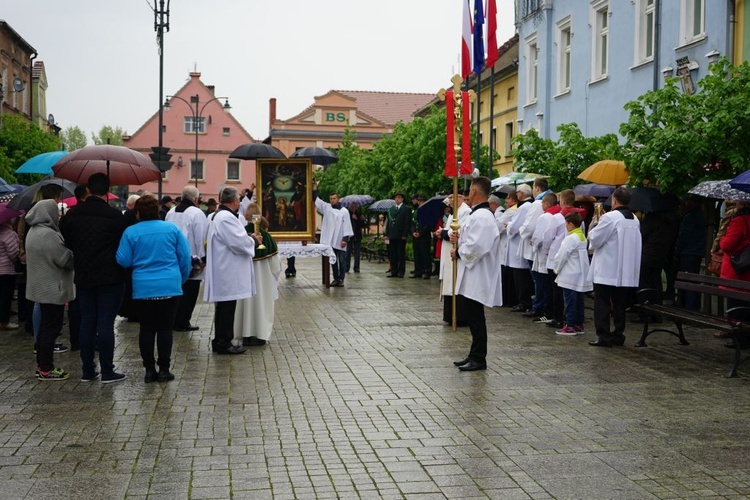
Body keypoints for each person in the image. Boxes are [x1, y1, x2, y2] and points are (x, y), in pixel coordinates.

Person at [61, 172, 128, 383]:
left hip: (84, 275)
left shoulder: (71, 216)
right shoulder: (115, 216)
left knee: (87, 322)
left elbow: (67, 242)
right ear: (108, 191)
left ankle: (88, 370)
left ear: (87, 190)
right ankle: (107, 370)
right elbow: (123, 245)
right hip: (111, 276)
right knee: (105, 323)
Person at [116, 196, 191, 383]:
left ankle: (149, 369)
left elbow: (123, 260)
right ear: (158, 210)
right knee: (165, 329)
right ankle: (164, 369)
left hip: (143, 287)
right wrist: (180, 279)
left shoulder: (131, 232)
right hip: (169, 285)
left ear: (138, 212)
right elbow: (184, 258)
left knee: (147, 329)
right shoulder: (172, 229)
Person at [450, 177, 502, 371]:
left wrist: (459, 252)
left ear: (473, 191)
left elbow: (478, 245)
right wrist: (459, 237)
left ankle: (479, 358)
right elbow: (471, 238)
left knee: (476, 317)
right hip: (473, 273)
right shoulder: (479, 215)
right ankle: (474, 353)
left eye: (469, 191)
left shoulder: (483, 216)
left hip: (479, 274)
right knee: (473, 316)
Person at [203, 186, 259, 355]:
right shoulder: (226, 218)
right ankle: (223, 342)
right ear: (235, 201)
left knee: (225, 306)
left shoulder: (219, 216)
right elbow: (238, 242)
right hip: (227, 268)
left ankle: (223, 340)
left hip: (225, 266)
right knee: (226, 307)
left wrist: (248, 239)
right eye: (239, 200)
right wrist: (253, 240)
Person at [25, 199, 75, 380]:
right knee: (51, 328)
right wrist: (73, 252)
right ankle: (46, 368)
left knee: (45, 327)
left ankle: (42, 366)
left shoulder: (33, 231)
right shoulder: (48, 235)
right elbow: (64, 259)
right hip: (52, 288)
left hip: (40, 286)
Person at [587, 187, 642, 347]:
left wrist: (597, 222)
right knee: (619, 304)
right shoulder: (634, 219)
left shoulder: (610, 218)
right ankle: (618, 334)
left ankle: (604, 336)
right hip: (625, 270)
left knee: (602, 303)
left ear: (614, 200)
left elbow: (596, 239)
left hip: (607, 268)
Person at [234, 203, 281, 347]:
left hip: (243, 277)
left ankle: (245, 335)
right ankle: (260, 335)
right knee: (261, 304)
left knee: (244, 305)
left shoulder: (240, 234)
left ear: (246, 217)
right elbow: (275, 265)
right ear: (259, 217)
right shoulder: (266, 236)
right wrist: (275, 277)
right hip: (263, 280)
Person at [166, 186, 209, 332]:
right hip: (192, 259)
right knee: (190, 292)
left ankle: (173, 319)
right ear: (195, 199)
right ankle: (183, 321)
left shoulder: (171, 212)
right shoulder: (197, 213)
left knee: (175, 290)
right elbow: (201, 237)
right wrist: (203, 258)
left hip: (173, 258)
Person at [554, 212, 593, 336]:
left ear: (570, 224)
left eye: (566, 223)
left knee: (570, 300)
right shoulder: (582, 236)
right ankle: (578, 324)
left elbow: (562, 255)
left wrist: (556, 268)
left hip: (569, 274)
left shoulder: (571, 238)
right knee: (579, 300)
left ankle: (570, 325)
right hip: (579, 273)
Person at [719, 200, 750, 349]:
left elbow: (727, 245)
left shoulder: (739, 221)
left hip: (736, 271)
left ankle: (739, 339)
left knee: (735, 306)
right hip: (747, 270)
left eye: (738, 202)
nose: (735, 204)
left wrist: (723, 238)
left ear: (743, 204)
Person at [437, 192, 471, 326]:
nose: (450, 200)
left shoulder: (465, 211)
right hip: (448, 252)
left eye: (453, 197)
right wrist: (442, 232)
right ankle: (450, 316)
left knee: (457, 282)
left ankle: (460, 317)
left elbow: (458, 231)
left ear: (462, 197)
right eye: (449, 197)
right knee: (450, 282)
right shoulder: (453, 213)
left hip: (458, 253)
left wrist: (444, 233)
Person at [313, 185, 353, 287]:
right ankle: (335, 278)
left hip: (340, 240)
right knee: (333, 260)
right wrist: (314, 188)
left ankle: (341, 279)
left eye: (334, 198)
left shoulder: (344, 211)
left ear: (338, 199)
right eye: (331, 199)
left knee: (342, 261)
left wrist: (345, 239)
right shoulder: (327, 208)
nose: (332, 200)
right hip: (330, 241)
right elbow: (316, 200)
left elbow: (347, 225)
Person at [674, 195, 706, 310]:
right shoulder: (700, 216)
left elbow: (683, 236)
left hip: (688, 253)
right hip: (695, 252)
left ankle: (690, 307)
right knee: (692, 280)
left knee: (689, 281)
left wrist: (676, 251)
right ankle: (690, 305)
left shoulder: (690, 217)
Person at [506, 184, 534, 312]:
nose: (516, 195)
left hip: (518, 243)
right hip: (522, 243)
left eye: (517, 192)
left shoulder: (523, 207)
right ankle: (524, 300)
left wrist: (508, 225)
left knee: (520, 276)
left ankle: (523, 301)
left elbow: (514, 227)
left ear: (521, 194)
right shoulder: (531, 205)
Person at [496, 191, 518, 307]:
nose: (506, 201)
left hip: (506, 245)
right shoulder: (515, 210)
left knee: (506, 276)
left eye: (508, 199)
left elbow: (498, 225)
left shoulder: (510, 212)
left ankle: (507, 299)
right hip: (508, 245)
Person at [386, 192, 411, 278]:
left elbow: (407, 222)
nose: (397, 199)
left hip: (401, 235)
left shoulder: (406, 209)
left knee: (401, 254)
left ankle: (401, 271)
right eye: (396, 198)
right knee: (393, 254)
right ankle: (394, 271)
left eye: (399, 197)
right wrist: (387, 234)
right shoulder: (391, 209)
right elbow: (389, 222)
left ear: (402, 199)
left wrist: (405, 234)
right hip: (392, 235)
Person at [410, 194, 432, 279]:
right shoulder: (415, 210)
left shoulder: (428, 211)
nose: (420, 202)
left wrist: (421, 233)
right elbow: (412, 222)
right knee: (417, 254)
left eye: (422, 201)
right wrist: (413, 232)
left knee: (425, 254)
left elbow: (428, 224)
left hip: (424, 236)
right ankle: (418, 271)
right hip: (416, 235)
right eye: (419, 201)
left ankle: (427, 271)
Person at [346, 202, 363, 273]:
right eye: (352, 205)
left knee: (357, 253)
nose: (353, 206)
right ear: (350, 206)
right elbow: (345, 224)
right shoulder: (347, 214)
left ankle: (356, 267)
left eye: (355, 205)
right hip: (349, 236)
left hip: (357, 236)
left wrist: (357, 219)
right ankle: (347, 267)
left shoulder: (359, 214)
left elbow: (362, 225)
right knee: (348, 252)